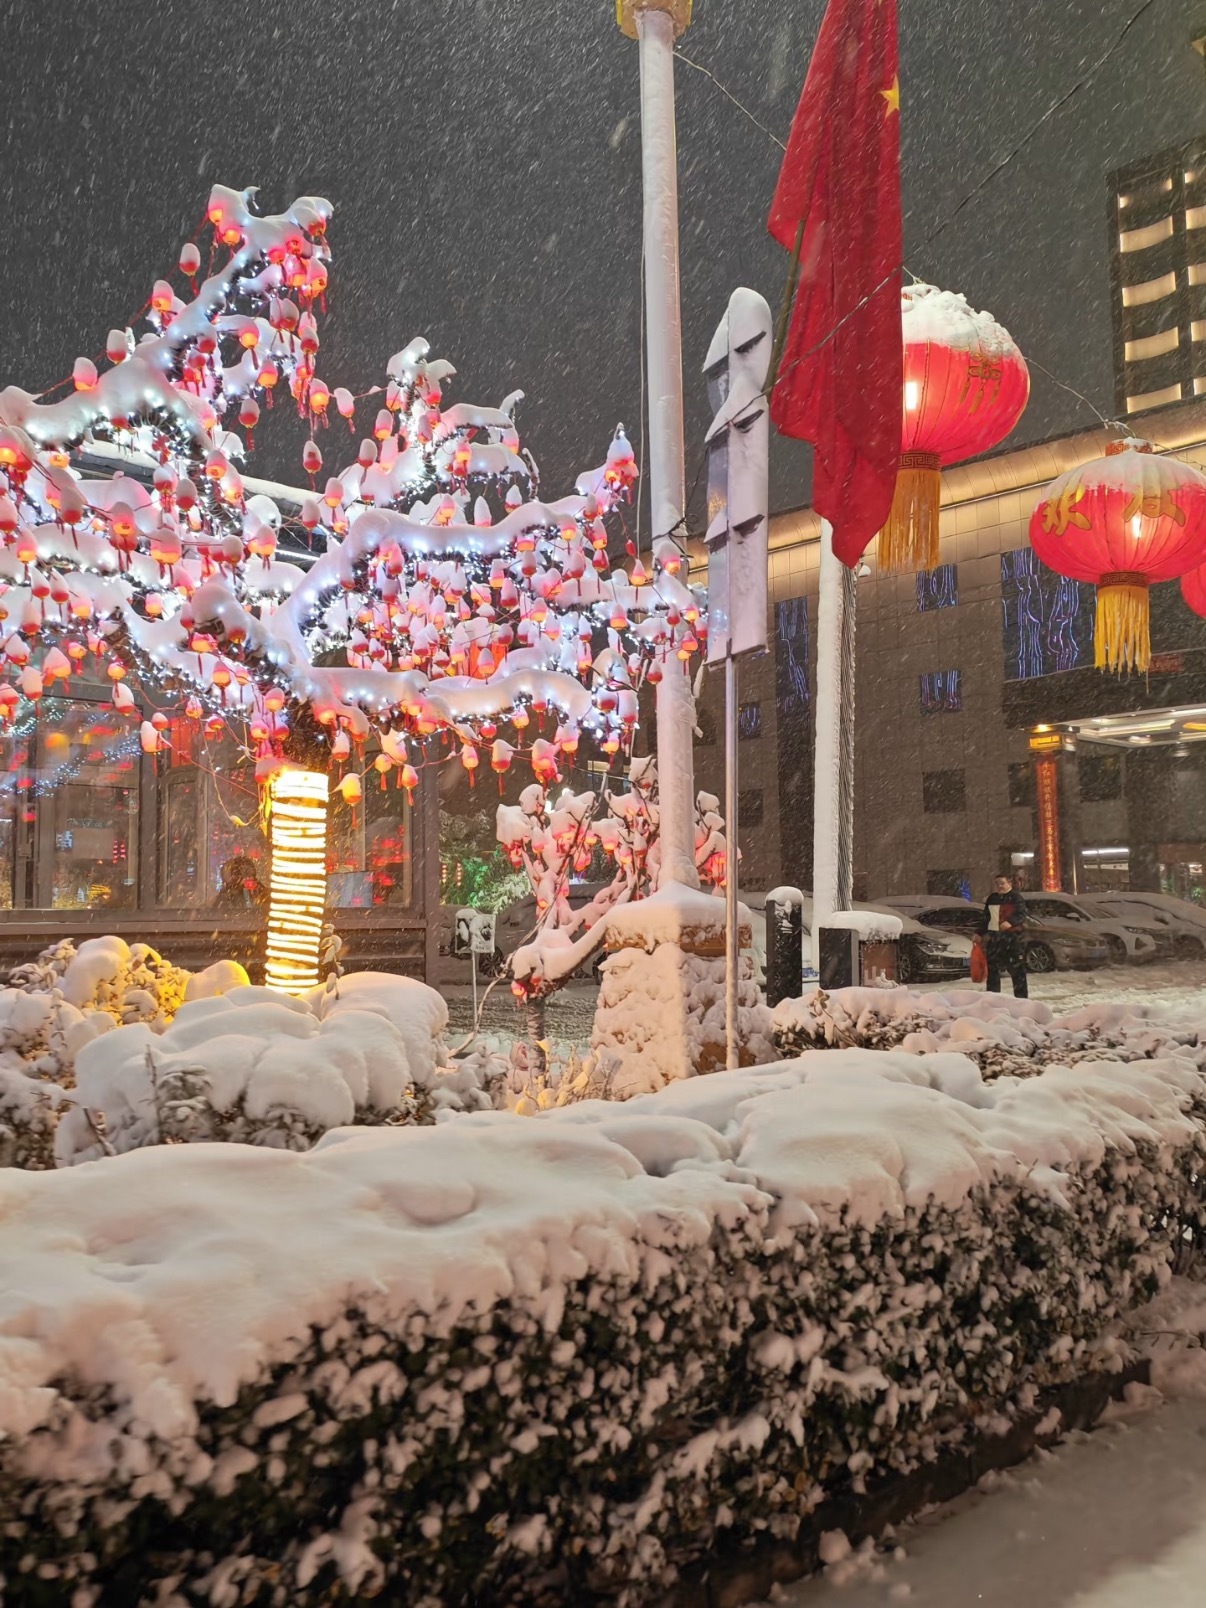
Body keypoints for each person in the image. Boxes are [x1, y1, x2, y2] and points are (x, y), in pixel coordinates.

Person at [979, 873, 1029, 998]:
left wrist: (1010, 922)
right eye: (997, 884)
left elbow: (1022, 914)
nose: (1000, 886)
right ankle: (993, 998)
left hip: (1012, 939)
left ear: (1009, 883)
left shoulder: (1016, 898)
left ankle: (1021, 999)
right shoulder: (992, 898)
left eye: (1002, 883)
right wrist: (979, 933)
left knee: (1017, 971)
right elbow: (986, 918)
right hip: (995, 938)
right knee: (993, 971)